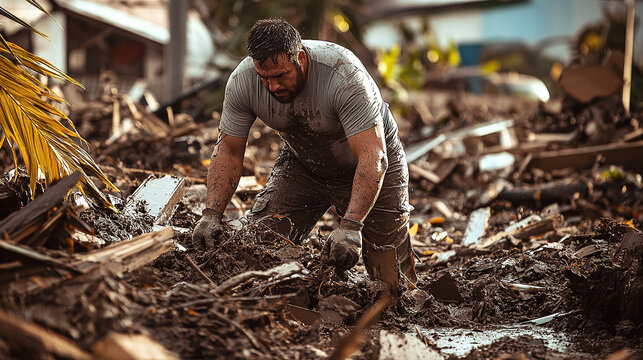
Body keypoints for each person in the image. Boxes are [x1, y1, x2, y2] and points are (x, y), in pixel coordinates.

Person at [192, 18, 416, 285]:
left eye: (280, 76)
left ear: (299, 57)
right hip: (304, 166)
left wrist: (351, 225)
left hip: (372, 167)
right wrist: (212, 213)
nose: (273, 87)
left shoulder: (344, 75)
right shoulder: (243, 82)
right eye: (265, 78)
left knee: (392, 279)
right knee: (258, 246)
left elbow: (373, 156)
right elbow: (228, 150)